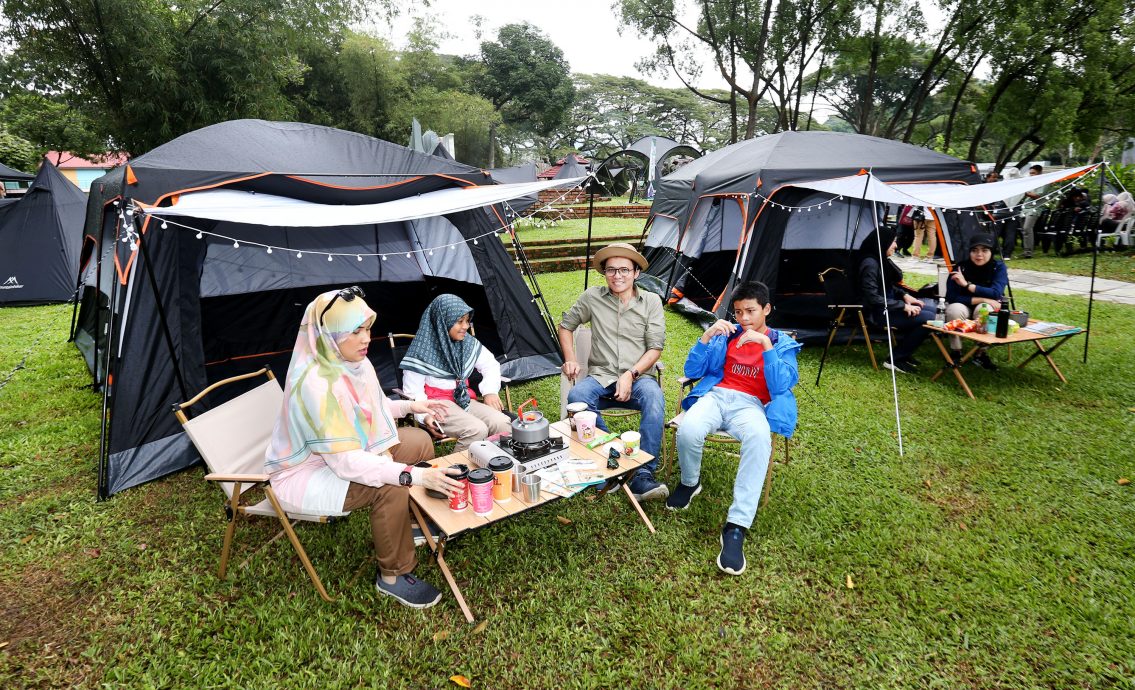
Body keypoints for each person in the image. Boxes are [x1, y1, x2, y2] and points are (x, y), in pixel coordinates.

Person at [264, 286, 464, 609]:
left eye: (367, 328)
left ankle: (406, 523)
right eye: (355, 331)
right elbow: (345, 464)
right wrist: (412, 475)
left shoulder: (353, 361)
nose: (366, 338)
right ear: (329, 333)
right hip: (307, 474)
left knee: (419, 442)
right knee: (390, 482)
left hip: (349, 451)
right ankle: (393, 576)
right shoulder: (315, 383)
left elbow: (376, 406)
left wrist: (414, 406)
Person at [668, 281, 801, 576]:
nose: (743, 319)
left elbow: (780, 386)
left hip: (751, 405)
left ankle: (736, 525)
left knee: (758, 439)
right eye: (738, 312)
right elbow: (692, 372)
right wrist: (706, 336)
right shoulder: (727, 336)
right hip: (716, 395)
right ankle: (690, 483)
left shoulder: (782, 344)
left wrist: (765, 346)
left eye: (751, 311)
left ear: (766, 309)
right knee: (689, 428)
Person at [559, 242, 668, 501]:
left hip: (639, 378)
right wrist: (571, 359)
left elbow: (655, 348)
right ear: (604, 273)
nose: (617, 276)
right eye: (611, 270)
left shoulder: (651, 301)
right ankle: (612, 459)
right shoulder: (592, 297)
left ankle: (643, 475)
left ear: (636, 273)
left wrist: (631, 374)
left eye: (624, 270)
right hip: (601, 376)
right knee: (577, 399)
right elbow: (566, 326)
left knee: (654, 399)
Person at [400, 294, 511, 452]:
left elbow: (490, 365)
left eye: (467, 321)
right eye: (459, 321)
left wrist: (490, 392)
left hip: (464, 400)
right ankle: (457, 473)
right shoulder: (420, 351)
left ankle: (498, 465)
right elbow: (413, 392)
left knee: (502, 423)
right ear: (442, 322)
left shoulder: (467, 343)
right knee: (476, 430)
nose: (465, 326)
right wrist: (425, 416)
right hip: (436, 405)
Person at [855, 226, 934, 374]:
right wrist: (902, 306)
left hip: (888, 307)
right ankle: (895, 359)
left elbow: (886, 285)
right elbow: (872, 297)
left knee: (930, 311)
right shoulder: (870, 264)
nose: (896, 245)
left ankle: (904, 353)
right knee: (928, 319)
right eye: (894, 242)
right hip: (877, 313)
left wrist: (904, 295)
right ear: (883, 242)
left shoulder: (878, 260)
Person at [945, 235, 1009, 370]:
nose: (979, 254)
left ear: (991, 252)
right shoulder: (960, 268)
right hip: (964, 305)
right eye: (974, 250)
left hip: (983, 306)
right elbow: (951, 296)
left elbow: (996, 293)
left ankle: (980, 353)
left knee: (984, 308)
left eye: (984, 250)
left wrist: (967, 286)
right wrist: (983, 298)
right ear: (969, 252)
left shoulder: (998, 267)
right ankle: (956, 351)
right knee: (954, 309)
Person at [1019, 164, 1044, 258]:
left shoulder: (1043, 182)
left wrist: (1025, 192)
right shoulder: (1030, 182)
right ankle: (1026, 251)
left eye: (1033, 173)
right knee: (1024, 231)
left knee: (1027, 228)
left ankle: (1029, 252)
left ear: (1040, 172)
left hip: (1034, 209)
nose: (1031, 175)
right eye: (1030, 173)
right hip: (1024, 208)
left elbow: (1037, 196)